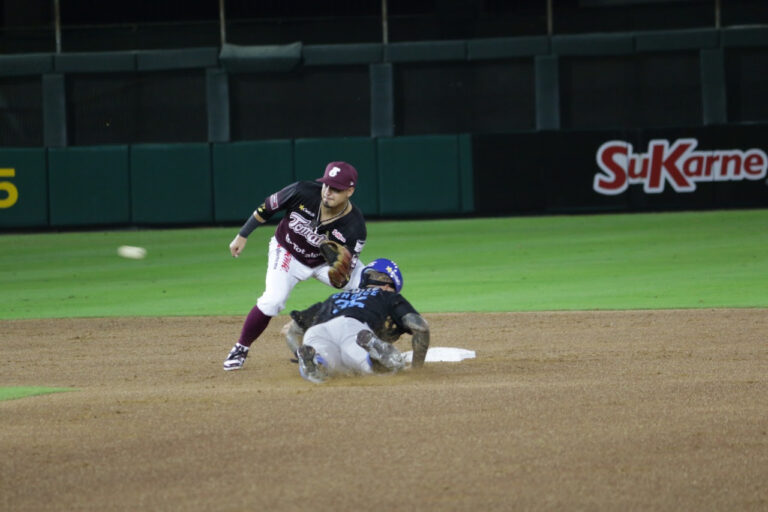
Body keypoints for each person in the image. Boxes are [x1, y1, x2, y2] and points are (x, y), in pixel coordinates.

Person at [223, 161, 367, 371]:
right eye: (327, 185)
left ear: (350, 191)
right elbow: (267, 208)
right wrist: (242, 235)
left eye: (336, 189)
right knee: (273, 300)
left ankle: (366, 346)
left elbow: (343, 277)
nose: (328, 192)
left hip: (322, 263)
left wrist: (339, 275)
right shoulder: (302, 191)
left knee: (367, 285)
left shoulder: (355, 226)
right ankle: (240, 347)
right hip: (288, 253)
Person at [284, 258, 431, 383]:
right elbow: (420, 327)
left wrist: (297, 352)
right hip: (354, 331)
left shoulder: (334, 298)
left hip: (317, 332)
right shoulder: (386, 295)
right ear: (388, 286)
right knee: (380, 368)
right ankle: (374, 356)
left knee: (327, 369)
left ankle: (314, 360)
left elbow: (292, 332)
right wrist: (417, 369)